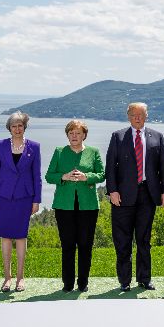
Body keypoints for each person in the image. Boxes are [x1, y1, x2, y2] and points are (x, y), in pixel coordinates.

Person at [105, 102, 164, 291]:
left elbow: (163, 167)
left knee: (144, 240)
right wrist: (112, 191)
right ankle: (124, 281)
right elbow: (110, 167)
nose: (137, 118)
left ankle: (144, 278)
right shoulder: (118, 137)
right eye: (134, 115)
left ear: (146, 115)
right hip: (122, 197)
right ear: (128, 116)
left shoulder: (157, 137)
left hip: (148, 195)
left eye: (141, 114)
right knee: (122, 240)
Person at [45, 119, 105, 292]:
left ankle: (83, 283)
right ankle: (68, 283)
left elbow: (101, 174)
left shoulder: (93, 152)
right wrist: (63, 176)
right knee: (68, 245)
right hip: (64, 206)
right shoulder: (59, 152)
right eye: (71, 133)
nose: (74, 136)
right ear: (67, 135)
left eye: (77, 133)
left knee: (86, 245)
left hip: (88, 206)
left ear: (84, 135)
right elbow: (49, 176)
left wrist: (87, 177)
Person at [0, 111, 41, 292]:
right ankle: (7, 278)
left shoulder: (34, 147)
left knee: (20, 237)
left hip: (24, 198)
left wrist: (37, 200)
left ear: (24, 127)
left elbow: (36, 176)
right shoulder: (0, 145)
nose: (17, 129)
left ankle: (20, 278)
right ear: (9, 128)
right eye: (14, 126)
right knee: (5, 237)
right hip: (3, 197)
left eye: (20, 126)